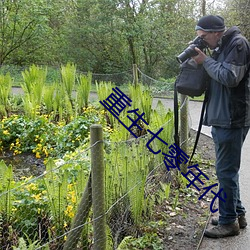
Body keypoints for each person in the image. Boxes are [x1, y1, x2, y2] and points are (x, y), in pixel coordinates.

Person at [192, 15, 250, 238]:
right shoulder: (221, 46)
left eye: (204, 37)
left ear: (216, 32)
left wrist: (205, 61)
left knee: (225, 171)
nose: (203, 41)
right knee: (227, 171)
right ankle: (237, 214)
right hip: (223, 117)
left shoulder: (238, 44)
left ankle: (228, 223)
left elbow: (229, 77)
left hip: (232, 118)